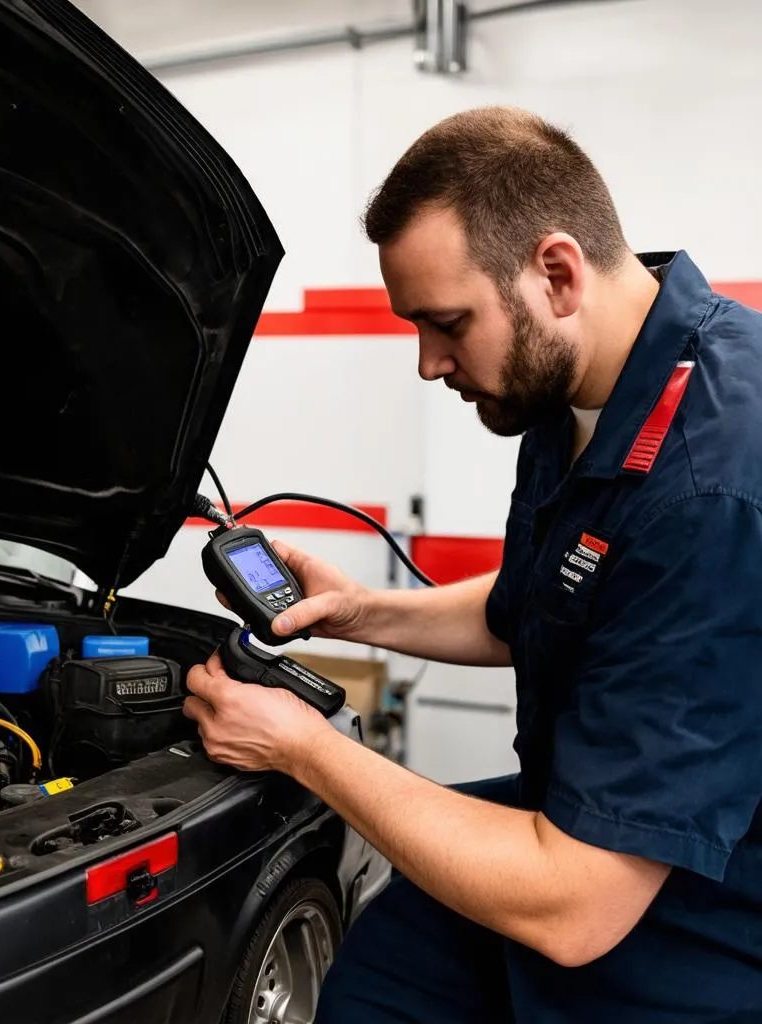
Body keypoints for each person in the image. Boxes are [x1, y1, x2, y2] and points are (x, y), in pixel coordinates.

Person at [183, 106, 762, 1022]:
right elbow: (543, 601)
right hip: (587, 822)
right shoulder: (571, 388)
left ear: (558, 274)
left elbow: (576, 906)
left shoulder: (712, 487)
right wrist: (362, 612)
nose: (427, 363)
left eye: (446, 323)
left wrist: (305, 749)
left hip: (699, 905)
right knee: (383, 967)